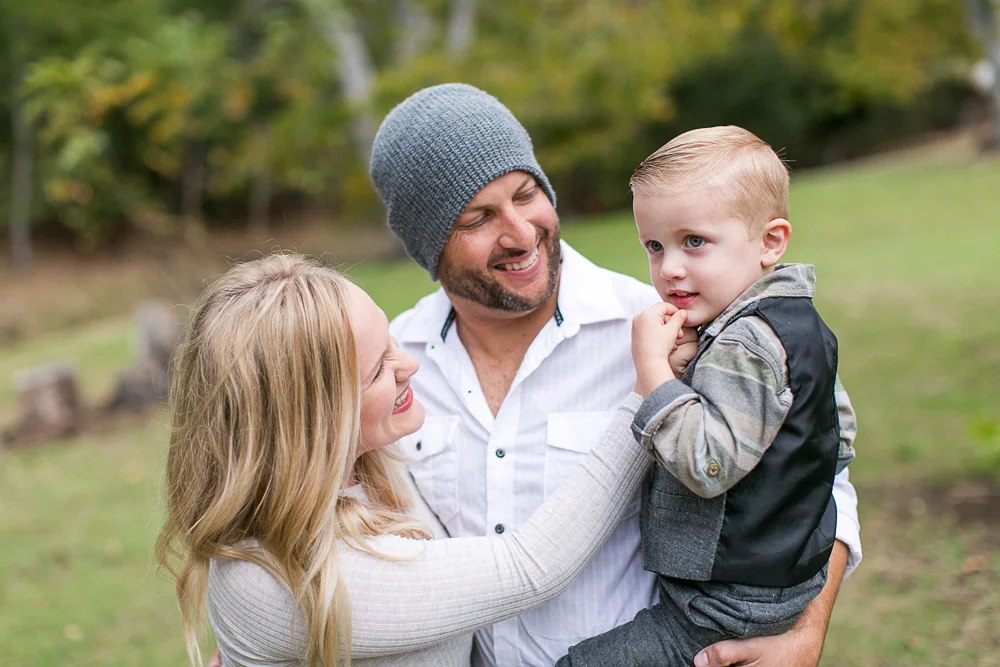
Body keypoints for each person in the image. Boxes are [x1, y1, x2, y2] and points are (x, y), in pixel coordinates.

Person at [375, 84, 862, 667]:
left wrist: (804, 635)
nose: (521, 233)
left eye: (526, 194)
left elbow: (819, 467)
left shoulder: (675, 329)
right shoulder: (391, 362)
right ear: (427, 246)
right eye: (478, 218)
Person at [157, 253, 685, 667]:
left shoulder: (360, 478)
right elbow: (530, 567)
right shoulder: (281, 579)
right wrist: (645, 396)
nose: (408, 364)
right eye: (378, 370)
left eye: (391, 341)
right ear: (313, 423)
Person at [557, 126, 856, 666]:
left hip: (722, 605)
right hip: (779, 576)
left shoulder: (744, 344)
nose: (670, 267)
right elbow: (838, 432)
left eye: (694, 241)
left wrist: (655, 372)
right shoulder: (799, 322)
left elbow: (709, 465)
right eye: (654, 245)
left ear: (770, 241)